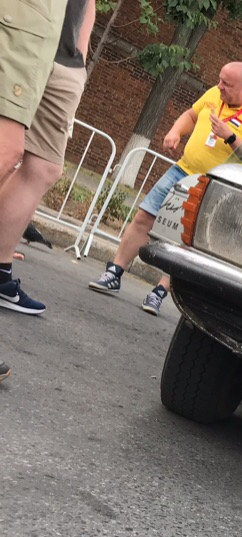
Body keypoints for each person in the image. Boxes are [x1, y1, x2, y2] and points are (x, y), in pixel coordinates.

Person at [87, 62, 242, 315]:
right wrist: (175, 131)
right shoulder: (214, 94)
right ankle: (114, 272)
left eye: (226, 84)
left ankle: (159, 292)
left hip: (215, 188)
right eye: (220, 80)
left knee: (187, 241)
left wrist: (230, 136)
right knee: (145, 216)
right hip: (183, 170)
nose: (219, 86)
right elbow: (191, 116)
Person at [0, 0, 89, 314]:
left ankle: (0, 272)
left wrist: (80, 56)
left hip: (65, 56)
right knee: (6, 149)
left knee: (45, 167)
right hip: (26, 27)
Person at [0, 0, 67, 186]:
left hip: (49, 33)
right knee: (6, 145)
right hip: (30, 20)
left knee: (40, 165)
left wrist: (79, 53)